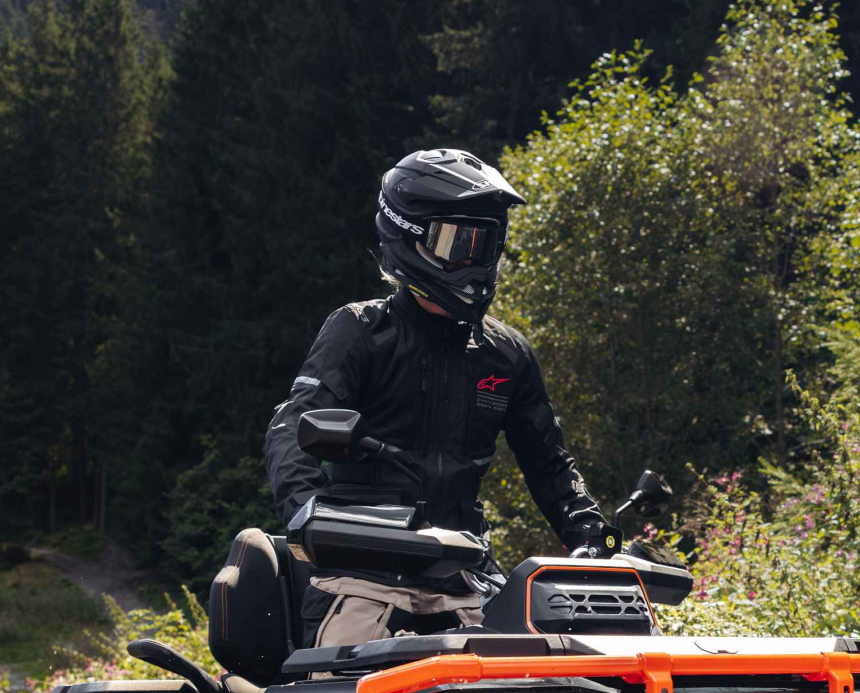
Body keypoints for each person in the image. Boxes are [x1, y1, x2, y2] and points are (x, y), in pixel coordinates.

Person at [262, 149, 615, 648]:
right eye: (458, 244)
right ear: (408, 237)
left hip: (466, 577)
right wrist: (311, 515)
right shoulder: (360, 331)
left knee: (549, 677)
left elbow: (550, 466)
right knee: (346, 682)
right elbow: (292, 428)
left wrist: (592, 533)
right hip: (363, 576)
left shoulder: (506, 354)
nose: (475, 262)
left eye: (486, 245)